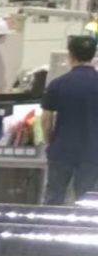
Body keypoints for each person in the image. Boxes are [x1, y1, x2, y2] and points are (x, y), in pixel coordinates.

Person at [44, 34, 98, 205]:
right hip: (93, 150)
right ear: (93, 55)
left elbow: (46, 119)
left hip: (62, 150)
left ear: (71, 55)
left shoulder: (57, 84)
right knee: (87, 200)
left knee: (54, 197)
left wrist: (49, 141)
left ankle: (49, 222)